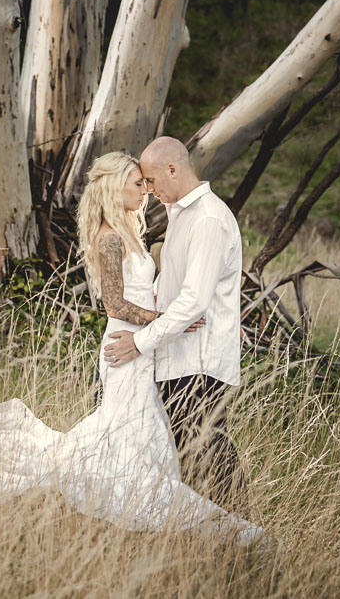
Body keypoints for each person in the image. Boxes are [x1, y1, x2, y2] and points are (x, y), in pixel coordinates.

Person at [0, 151, 261, 545]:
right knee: (129, 433)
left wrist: (171, 314)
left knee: (143, 433)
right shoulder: (109, 237)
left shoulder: (131, 230)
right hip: (125, 347)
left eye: (147, 182)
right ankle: (168, 513)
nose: (145, 190)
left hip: (140, 348)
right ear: (113, 187)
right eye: (137, 183)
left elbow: (146, 291)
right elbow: (115, 304)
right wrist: (161, 321)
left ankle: (169, 515)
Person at [105, 136, 248, 515]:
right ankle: (204, 533)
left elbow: (194, 300)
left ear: (173, 168)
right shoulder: (181, 214)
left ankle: (239, 531)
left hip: (198, 361)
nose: (149, 191)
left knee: (208, 451)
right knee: (184, 457)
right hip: (175, 355)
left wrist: (139, 342)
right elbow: (171, 286)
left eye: (151, 181)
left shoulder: (209, 220)